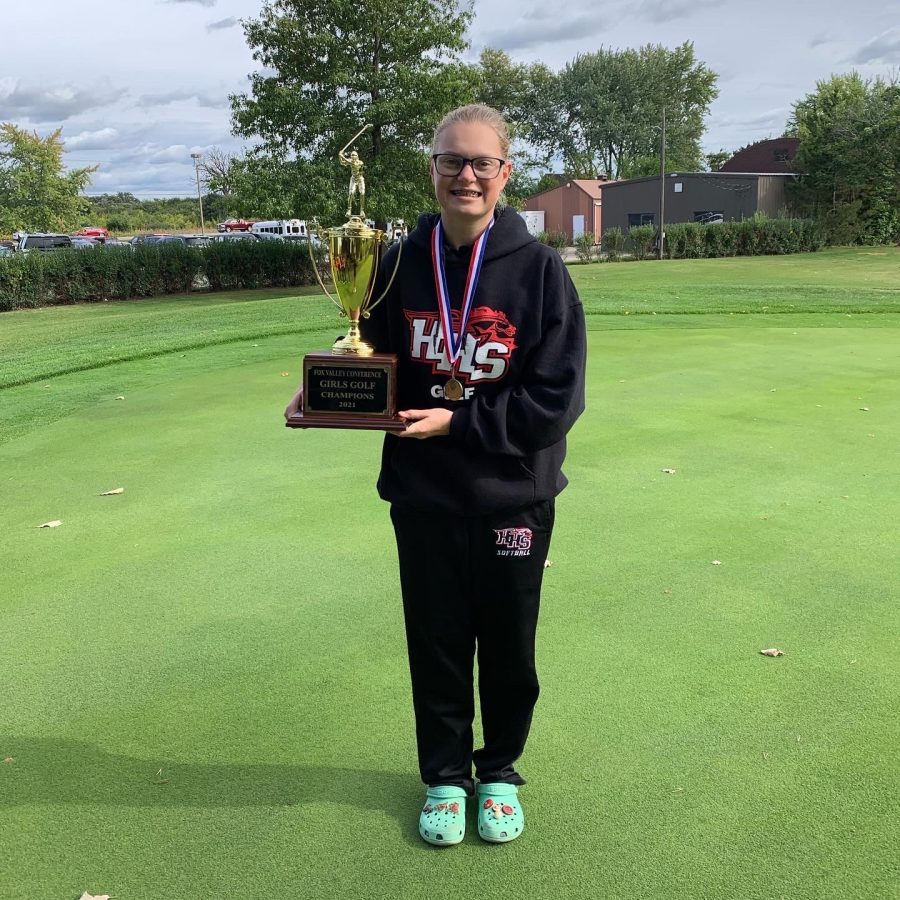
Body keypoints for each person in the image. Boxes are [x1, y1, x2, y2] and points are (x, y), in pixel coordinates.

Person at [286, 104, 586, 846]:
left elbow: (556, 399)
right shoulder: (395, 261)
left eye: (482, 163)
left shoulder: (542, 270)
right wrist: (327, 386)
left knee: (510, 647)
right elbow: (373, 350)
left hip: (513, 496)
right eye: (452, 160)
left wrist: (460, 421)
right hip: (423, 495)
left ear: (505, 174)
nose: (466, 175)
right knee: (437, 640)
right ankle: (446, 777)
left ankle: (501, 772)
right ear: (433, 169)